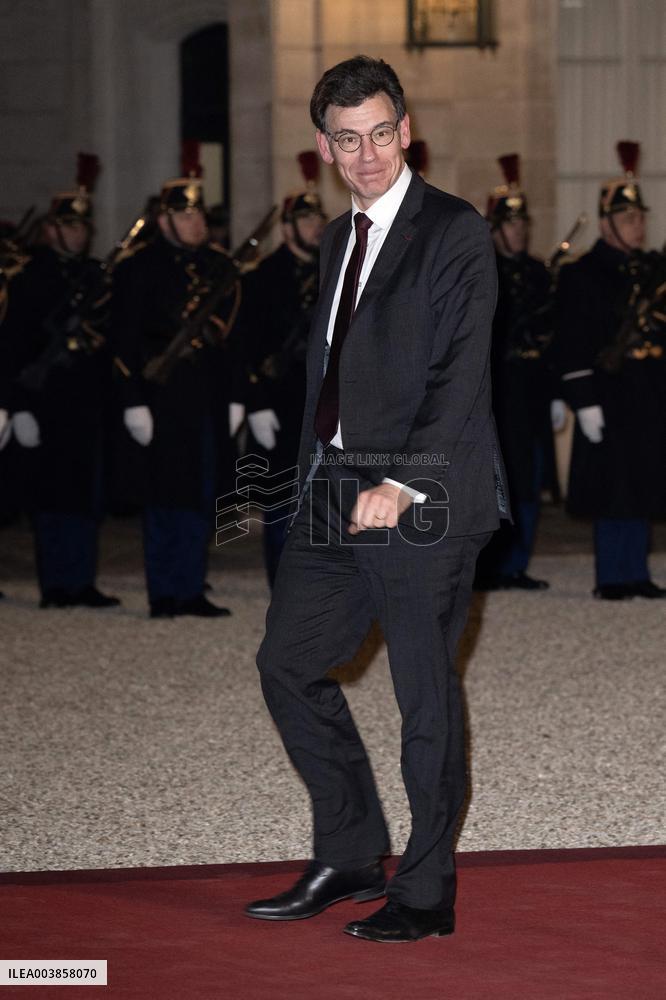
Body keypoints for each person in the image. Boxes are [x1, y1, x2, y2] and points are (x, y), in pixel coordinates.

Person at [245, 55, 509, 943]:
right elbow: (335, 366)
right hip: (333, 487)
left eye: (381, 134)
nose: (367, 156)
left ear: (408, 131)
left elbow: (459, 375)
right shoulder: (334, 237)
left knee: (423, 699)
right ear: (325, 146)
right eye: (348, 140)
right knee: (286, 661)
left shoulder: (455, 231)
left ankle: (427, 893)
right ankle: (353, 850)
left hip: (422, 496)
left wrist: (403, 480)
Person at [111, 170, 236, 618]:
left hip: (205, 398)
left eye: (199, 214)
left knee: (202, 493)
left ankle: (190, 587)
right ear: (164, 221)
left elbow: (231, 340)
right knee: (165, 496)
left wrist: (236, 396)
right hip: (160, 399)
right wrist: (133, 402)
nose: (195, 223)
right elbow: (121, 341)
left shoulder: (217, 266)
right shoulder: (138, 269)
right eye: (184, 215)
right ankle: (164, 592)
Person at [0, 155, 120, 609]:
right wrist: (20, 407)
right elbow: (12, 347)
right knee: (50, 498)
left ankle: (82, 580)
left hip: (86, 399)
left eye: (82, 226)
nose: (77, 233)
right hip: (45, 400)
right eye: (68, 226)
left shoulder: (92, 274)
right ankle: (55, 584)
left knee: (86, 497)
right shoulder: (31, 276)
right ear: (51, 227)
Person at [554, 141, 666, 600]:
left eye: (640, 218)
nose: (637, 226)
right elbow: (570, 342)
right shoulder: (582, 274)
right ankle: (613, 576)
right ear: (606, 225)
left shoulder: (651, 271)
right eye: (628, 219)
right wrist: (583, 401)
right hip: (607, 393)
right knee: (613, 487)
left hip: (648, 393)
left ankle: (637, 572)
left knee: (644, 482)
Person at [234, 156, 326, 585]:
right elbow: (244, 347)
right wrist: (255, 404)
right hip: (280, 403)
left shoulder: (335, 272)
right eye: (304, 220)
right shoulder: (263, 278)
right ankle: (285, 584)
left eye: (318, 218)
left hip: (326, 403)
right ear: (286, 228)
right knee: (283, 501)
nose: (315, 227)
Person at [475, 154, 562, 591]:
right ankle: (490, 566)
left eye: (524, 223)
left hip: (532, 389)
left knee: (529, 479)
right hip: (496, 390)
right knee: (496, 479)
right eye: (512, 224)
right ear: (494, 229)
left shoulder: (537, 272)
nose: (520, 230)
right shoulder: (482, 272)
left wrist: (560, 391)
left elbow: (553, 333)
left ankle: (517, 564)